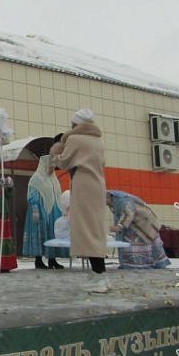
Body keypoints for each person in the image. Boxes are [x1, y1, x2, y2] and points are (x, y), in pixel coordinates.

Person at [50, 108, 109, 293]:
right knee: (95, 228)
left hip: (83, 183)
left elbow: (62, 161)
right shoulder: (98, 141)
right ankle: (100, 274)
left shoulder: (74, 139)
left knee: (86, 230)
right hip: (98, 183)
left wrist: (56, 150)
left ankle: (98, 275)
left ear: (76, 124)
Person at [22, 155, 67, 269]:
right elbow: (32, 196)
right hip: (40, 210)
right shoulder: (36, 178)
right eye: (50, 166)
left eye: (53, 166)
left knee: (52, 233)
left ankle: (52, 260)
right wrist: (36, 210)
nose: (52, 169)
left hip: (54, 211)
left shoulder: (53, 179)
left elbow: (57, 195)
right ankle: (38, 260)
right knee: (40, 232)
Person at [106, 190, 171, 269]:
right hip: (136, 223)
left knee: (138, 242)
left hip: (142, 223)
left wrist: (119, 226)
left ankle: (137, 265)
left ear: (108, 198)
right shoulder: (116, 200)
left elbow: (128, 213)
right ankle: (139, 264)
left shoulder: (121, 201)